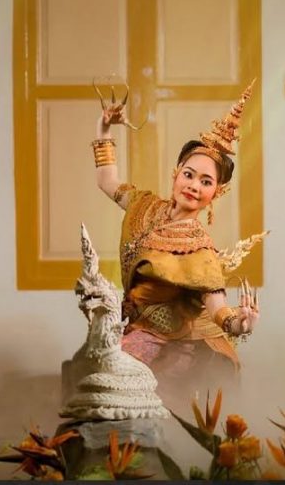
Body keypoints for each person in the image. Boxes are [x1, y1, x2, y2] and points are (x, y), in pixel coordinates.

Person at [90, 81, 261, 401]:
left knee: (113, 380)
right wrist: (104, 128)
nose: (194, 185)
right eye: (189, 174)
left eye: (206, 182)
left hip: (174, 347)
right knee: (98, 372)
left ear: (216, 192)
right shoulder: (143, 205)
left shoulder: (200, 250)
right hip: (135, 331)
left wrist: (239, 324)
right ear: (176, 172)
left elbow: (217, 306)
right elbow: (106, 180)